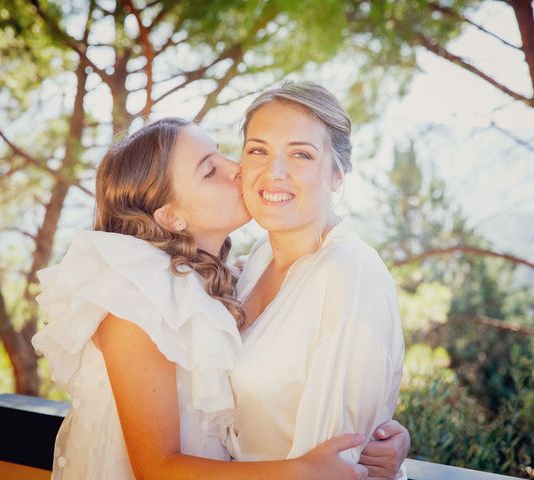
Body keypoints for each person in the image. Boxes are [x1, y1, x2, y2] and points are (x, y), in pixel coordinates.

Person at [33, 117, 402, 479]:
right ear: (171, 216)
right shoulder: (133, 302)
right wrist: (299, 472)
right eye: (209, 170)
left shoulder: (231, 278)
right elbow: (154, 468)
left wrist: (379, 435)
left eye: (223, 153)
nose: (237, 168)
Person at [228, 82, 407, 479]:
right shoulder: (257, 257)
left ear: (337, 173)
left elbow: (332, 466)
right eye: (258, 149)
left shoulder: (349, 276)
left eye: (301, 154)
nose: (273, 172)